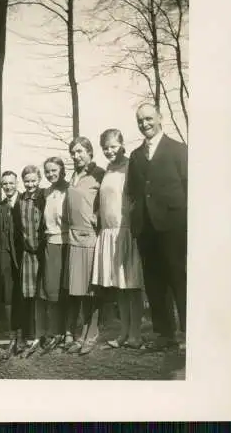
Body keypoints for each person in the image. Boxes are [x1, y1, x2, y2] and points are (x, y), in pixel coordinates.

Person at [126, 102, 187, 351]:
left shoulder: (178, 150)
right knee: (153, 282)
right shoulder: (135, 155)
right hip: (146, 229)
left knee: (178, 277)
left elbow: (189, 186)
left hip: (173, 225)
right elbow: (134, 191)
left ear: (160, 118)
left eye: (149, 119)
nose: (145, 124)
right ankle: (164, 334)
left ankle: (187, 332)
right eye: (140, 120)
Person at [91, 129, 144, 349]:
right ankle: (123, 332)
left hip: (127, 231)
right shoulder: (107, 170)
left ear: (122, 144)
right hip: (109, 232)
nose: (109, 151)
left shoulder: (131, 166)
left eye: (113, 146)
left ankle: (135, 334)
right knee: (119, 287)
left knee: (132, 285)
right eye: (105, 147)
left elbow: (138, 196)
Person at [64, 136, 105, 355]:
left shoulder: (99, 173)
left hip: (90, 236)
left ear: (89, 151)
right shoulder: (73, 175)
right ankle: (79, 335)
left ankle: (92, 334)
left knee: (91, 290)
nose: (76, 155)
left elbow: (108, 199)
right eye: (73, 152)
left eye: (79, 151)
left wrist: (97, 216)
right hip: (73, 237)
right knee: (77, 290)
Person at [36, 157, 69, 355]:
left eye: (54, 170)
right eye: (47, 171)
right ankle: (54, 332)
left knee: (67, 290)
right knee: (51, 291)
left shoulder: (70, 189)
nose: (50, 174)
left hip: (69, 243)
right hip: (51, 243)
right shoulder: (46, 192)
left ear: (62, 169)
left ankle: (69, 332)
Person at [0, 170, 24, 359]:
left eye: (11, 183)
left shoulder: (25, 202)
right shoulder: (0, 207)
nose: (8, 187)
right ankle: (12, 338)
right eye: (5, 184)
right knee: (9, 297)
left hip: (24, 256)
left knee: (25, 296)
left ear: (17, 183)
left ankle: (26, 337)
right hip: (6, 257)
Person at [18, 165, 47, 358]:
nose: (30, 184)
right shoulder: (20, 200)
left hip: (43, 251)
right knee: (29, 295)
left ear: (39, 180)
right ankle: (30, 334)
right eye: (27, 181)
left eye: (33, 181)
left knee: (43, 294)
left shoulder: (43, 197)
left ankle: (44, 333)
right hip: (28, 253)